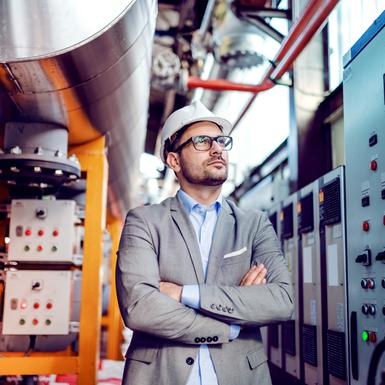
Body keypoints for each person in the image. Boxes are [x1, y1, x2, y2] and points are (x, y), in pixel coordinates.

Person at [116, 100, 293, 385]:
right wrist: (231, 324)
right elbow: (140, 308)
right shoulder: (144, 221)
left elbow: (281, 301)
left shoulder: (254, 224)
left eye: (221, 141)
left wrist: (184, 293)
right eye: (202, 141)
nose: (217, 148)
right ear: (174, 160)